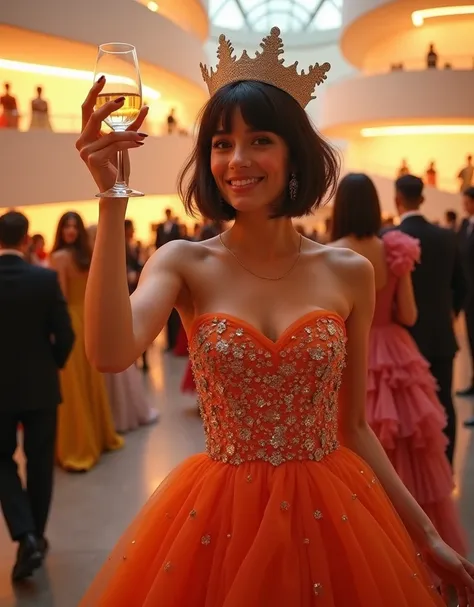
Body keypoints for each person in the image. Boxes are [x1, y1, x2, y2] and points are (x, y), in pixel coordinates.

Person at [76, 27, 473, 607]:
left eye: (259, 140)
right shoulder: (184, 262)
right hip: (218, 519)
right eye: (220, 143)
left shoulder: (347, 272)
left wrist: (429, 534)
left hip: (334, 508)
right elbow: (110, 353)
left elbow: (354, 427)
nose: (236, 160)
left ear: (293, 153)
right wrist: (112, 202)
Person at [330, 174, 466, 555]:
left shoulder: (332, 254)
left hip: (353, 351)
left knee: (354, 440)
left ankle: (372, 550)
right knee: (409, 446)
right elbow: (408, 313)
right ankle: (423, 545)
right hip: (396, 348)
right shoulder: (395, 249)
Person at [0, 211, 74, 581]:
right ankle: (37, 537)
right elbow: (66, 335)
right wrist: (52, 365)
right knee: (40, 463)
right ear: (27, 239)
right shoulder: (43, 280)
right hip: (41, 387)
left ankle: (24, 533)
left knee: (1, 462)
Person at [392, 175, 466, 464]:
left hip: (403, 339)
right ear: (422, 199)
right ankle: (445, 462)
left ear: (397, 199)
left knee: (406, 406)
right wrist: (449, 314)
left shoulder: (390, 238)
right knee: (445, 400)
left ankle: (415, 465)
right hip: (440, 336)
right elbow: (462, 285)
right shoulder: (447, 237)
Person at [50, 212, 124, 471]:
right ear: (62, 229)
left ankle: (79, 447)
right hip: (86, 319)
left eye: (74, 226)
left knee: (73, 386)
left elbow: (59, 298)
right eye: (67, 226)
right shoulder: (85, 255)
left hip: (70, 321)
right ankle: (99, 437)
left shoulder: (59, 258)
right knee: (87, 381)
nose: (70, 230)